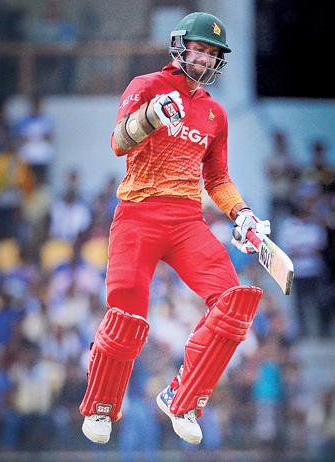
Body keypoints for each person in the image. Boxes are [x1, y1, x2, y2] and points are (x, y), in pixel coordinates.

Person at [78, 12, 271, 446]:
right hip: (137, 214)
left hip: (186, 221)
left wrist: (241, 214)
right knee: (126, 313)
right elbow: (118, 143)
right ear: (180, 46)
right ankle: (103, 405)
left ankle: (183, 397)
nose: (203, 59)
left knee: (236, 304)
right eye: (198, 49)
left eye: (211, 54)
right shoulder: (146, 87)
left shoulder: (214, 114)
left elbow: (217, 179)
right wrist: (150, 115)